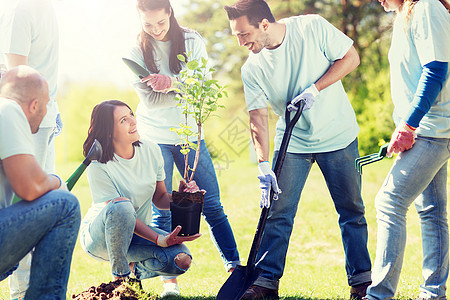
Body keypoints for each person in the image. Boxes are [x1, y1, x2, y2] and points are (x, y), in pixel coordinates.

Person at [224, 0, 372, 299]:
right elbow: (258, 117)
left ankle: (362, 281)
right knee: (277, 211)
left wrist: (315, 88)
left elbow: (351, 58)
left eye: (243, 34)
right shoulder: (252, 67)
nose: (240, 42)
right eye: (236, 36)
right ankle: (266, 282)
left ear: (264, 24)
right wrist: (263, 165)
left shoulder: (312, 27)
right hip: (293, 142)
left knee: (351, 210)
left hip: (338, 135)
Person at [125, 0, 241, 295]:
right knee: (162, 208)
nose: (155, 30)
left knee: (210, 203)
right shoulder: (135, 51)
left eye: (160, 23)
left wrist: (173, 83)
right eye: (148, 25)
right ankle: (170, 280)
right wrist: (179, 85)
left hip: (190, 134)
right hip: (153, 137)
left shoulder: (191, 41)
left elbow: (203, 87)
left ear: (170, 14)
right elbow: (150, 100)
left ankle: (235, 269)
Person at [364, 0, 450, 299]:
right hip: (426, 128)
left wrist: (409, 125)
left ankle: (379, 295)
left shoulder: (427, 6)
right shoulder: (407, 13)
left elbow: (436, 70)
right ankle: (433, 293)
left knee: (389, 202)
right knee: (432, 211)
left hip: (431, 128)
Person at [80, 100, 202, 298]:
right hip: (100, 238)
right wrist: (158, 239)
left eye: (131, 115)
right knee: (122, 206)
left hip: (135, 235)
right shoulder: (98, 164)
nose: (133, 122)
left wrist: (182, 199)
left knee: (181, 260)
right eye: (123, 120)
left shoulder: (151, 150)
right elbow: (120, 213)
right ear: (109, 131)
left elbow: (160, 197)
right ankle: (120, 283)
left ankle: (132, 274)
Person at [0, 66, 80, 299]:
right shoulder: (9, 109)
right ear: (35, 105)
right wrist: (57, 181)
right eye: (47, 105)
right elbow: (30, 187)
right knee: (65, 204)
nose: (47, 113)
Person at [0, 0, 62, 298]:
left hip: (45, 116)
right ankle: (22, 292)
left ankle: (33, 290)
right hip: (27, 118)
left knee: (43, 206)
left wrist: (53, 109)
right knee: (30, 204)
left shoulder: (47, 9)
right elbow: (17, 77)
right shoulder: (20, 10)